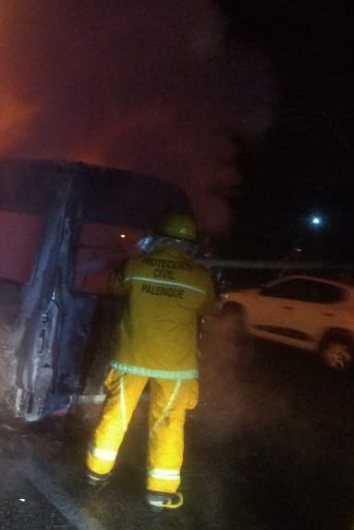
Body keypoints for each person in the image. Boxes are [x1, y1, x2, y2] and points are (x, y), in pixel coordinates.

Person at [85, 212, 216, 511]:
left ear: (159, 239)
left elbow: (114, 288)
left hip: (131, 358)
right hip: (176, 366)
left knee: (115, 416)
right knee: (168, 424)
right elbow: (208, 308)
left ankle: (96, 473)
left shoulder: (136, 267)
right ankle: (159, 493)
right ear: (190, 246)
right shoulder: (199, 278)